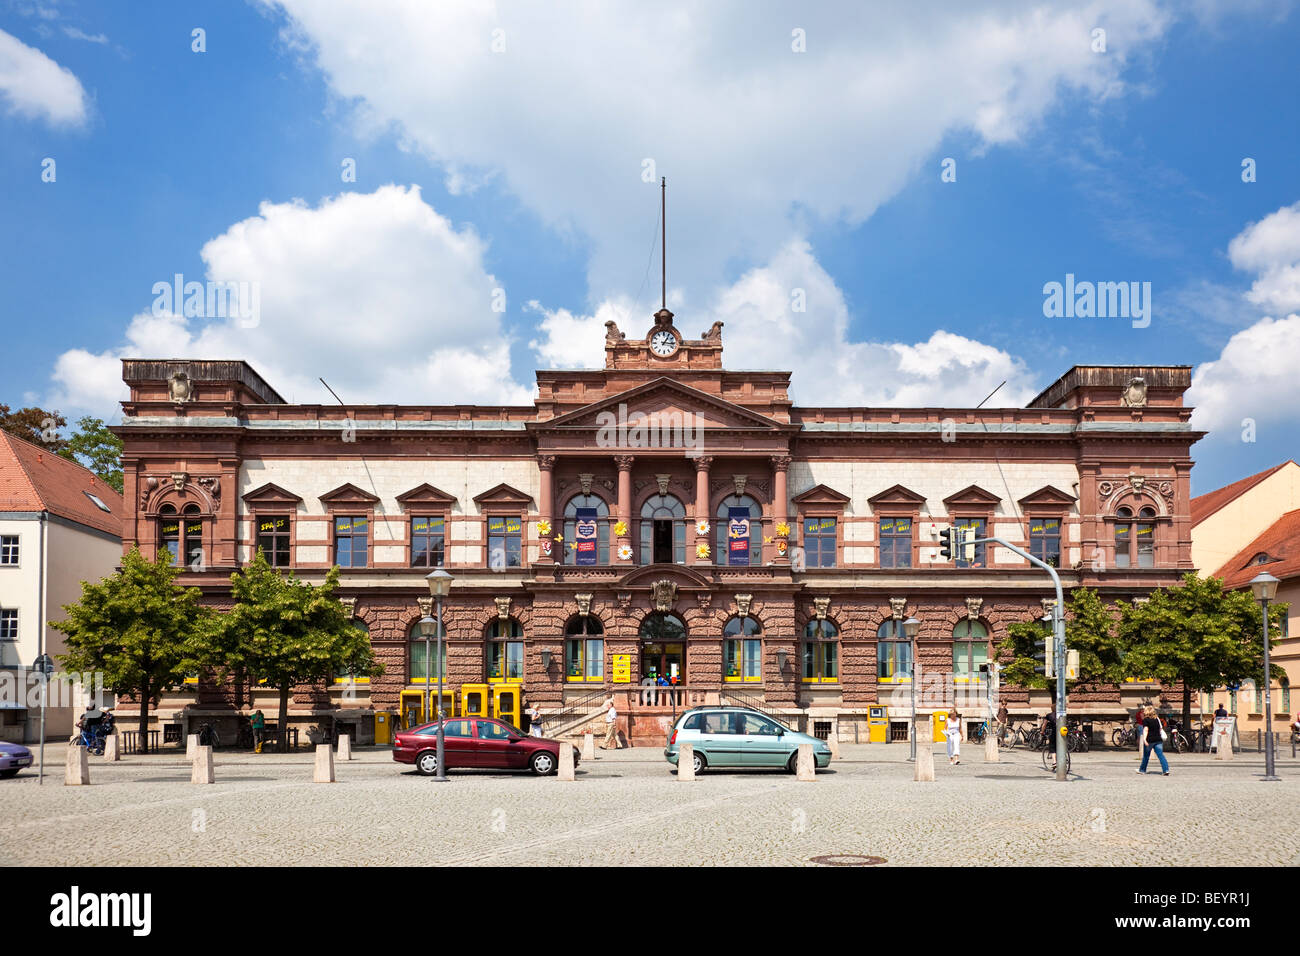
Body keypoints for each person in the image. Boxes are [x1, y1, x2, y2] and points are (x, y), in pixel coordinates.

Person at [1137, 704, 1170, 775]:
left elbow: (1146, 730)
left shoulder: (1146, 720)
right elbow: (1160, 728)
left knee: (1146, 756)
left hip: (1150, 740)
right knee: (1161, 755)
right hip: (1158, 740)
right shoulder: (1157, 719)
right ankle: (1166, 770)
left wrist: (1145, 739)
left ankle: (1142, 770)